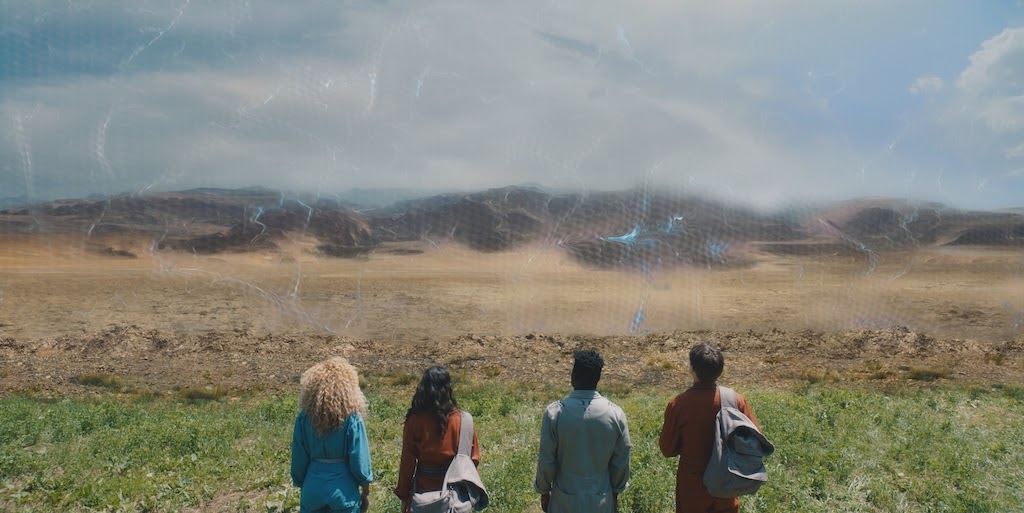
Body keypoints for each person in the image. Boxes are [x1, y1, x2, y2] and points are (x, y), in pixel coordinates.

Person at [659, 342, 761, 513]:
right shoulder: (737, 401)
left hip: (692, 488)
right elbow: (755, 441)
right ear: (720, 370)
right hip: (727, 485)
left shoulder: (679, 405)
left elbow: (667, 449)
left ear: (692, 369)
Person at [534, 349, 631, 513]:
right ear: (598, 378)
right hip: (601, 498)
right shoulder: (615, 414)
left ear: (573, 377)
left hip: (563, 500)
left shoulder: (554, 413)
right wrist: (615, 492)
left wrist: (543, 491)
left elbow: (546, 459)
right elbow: (621, 460)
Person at [291, 357, 374, 513]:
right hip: (344, 492)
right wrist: (366, 490)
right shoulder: (352, 418)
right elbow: (359, 459)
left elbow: (298, 459)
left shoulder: (303, 418)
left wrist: (304, 483)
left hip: (312, 489)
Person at [394, 365, 481, 513]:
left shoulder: (415, 420)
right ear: (449, 388)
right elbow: (473, 460)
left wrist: (404, 495)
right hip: (456, 499)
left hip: (423, 497)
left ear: (423, 388)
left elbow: (408, 463)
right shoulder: (464, 420)